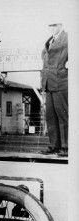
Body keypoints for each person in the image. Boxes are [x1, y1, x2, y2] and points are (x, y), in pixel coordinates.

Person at [41, 23, 68, 156]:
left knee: (63, 115)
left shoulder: (68, 39)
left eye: (54, 24)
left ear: (61, 25)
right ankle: (54, 146)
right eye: (49, 25)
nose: (51, 27)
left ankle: (66, 147)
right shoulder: (48, 41)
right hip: (49, 83)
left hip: (61, 83)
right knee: (50, 116)